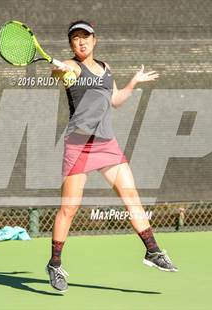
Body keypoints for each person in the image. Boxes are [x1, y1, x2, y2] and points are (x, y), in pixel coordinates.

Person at [46, 20, 178, 293]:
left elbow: (115, 100)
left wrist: (133, 82)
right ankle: (55, 264)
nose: (80, 42)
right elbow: (59, 74)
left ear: (94, 40)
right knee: (69, 208)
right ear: (71, 44)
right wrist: (58, 70)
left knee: (132, 199)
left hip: (107, 144)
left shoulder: (106, 69)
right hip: (79, 144)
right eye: (75, 39)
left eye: (85, 37)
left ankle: (152, 251)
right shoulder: (71, 67)